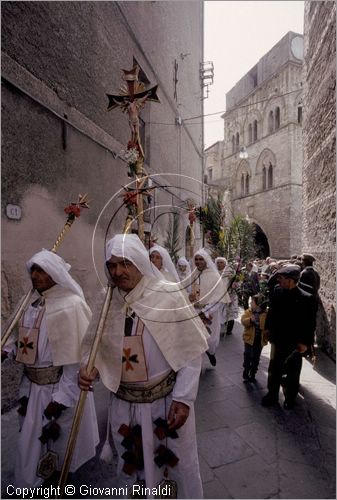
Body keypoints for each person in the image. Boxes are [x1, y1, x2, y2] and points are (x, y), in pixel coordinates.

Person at [79, 234, 209, 498]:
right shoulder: (107, 300)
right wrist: (89, 369)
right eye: (112, 265)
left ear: (139, 261)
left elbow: (191, 350)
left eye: (125, 263)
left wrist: (183, 399)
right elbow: (95, 347)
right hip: (124, 406)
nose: (118, 271)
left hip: (165, 403)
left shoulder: (168, 295)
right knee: (132, 469)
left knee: (173, 470)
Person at [2, 250, 99, 488]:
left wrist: (63, 397)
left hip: (57, 389)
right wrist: (7, 350)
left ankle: (59, 482)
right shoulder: (29, 303)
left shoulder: (71, 305)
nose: (34, 275)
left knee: (58, 443)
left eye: (41, 270)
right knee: (30, 443)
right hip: (30, 388)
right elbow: (20, 340)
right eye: (32, 270)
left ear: (55, 274)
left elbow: (75, 360)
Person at [261, 264, 316, 409]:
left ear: (291, 280)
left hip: (295, 343)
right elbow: (271, 312)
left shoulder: (306, 298)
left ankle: (290, 397)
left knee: (292, 371)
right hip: (277, 339)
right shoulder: (277, 291)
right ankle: (272, 395)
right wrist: (267, 329)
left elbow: (310, 324)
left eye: (282, 278)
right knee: (274, 368)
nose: (279, 280)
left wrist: (306, 343)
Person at [189, 249, 226, 367]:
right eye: (196, 259)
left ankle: (211, 352)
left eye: (201, 259)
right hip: (195, 311)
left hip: (210, 313)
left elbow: (219, 297)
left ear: (206, 261)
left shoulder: (214, 275)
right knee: (196, 338)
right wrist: (189, 297)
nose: (198, 261)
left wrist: (207, 310)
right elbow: (190, 291)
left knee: (211, 339)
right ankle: (196, 363)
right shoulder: (193, 274)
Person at [241, 294, 268, 382]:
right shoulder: (248, 312)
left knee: (256, 358)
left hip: (259, 341)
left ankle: (252, 373)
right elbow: (243, 321)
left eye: (252, 302)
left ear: (258, 304)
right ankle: (246, 371)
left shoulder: (265, 314)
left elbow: (267, 326)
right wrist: (250, 320)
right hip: (249, 340)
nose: (250, 303)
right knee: (247, 356)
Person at [214, 257, 233, 336]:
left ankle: (229, 330)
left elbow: (236, 284)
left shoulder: (230, 273)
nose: (219, 264)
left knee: (228, 314)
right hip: (216, 297)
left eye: (221, 262)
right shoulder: (213, 273)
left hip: (228, 296)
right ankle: (216, 330)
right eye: (218, 262)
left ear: (225, 264)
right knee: (217, 314)